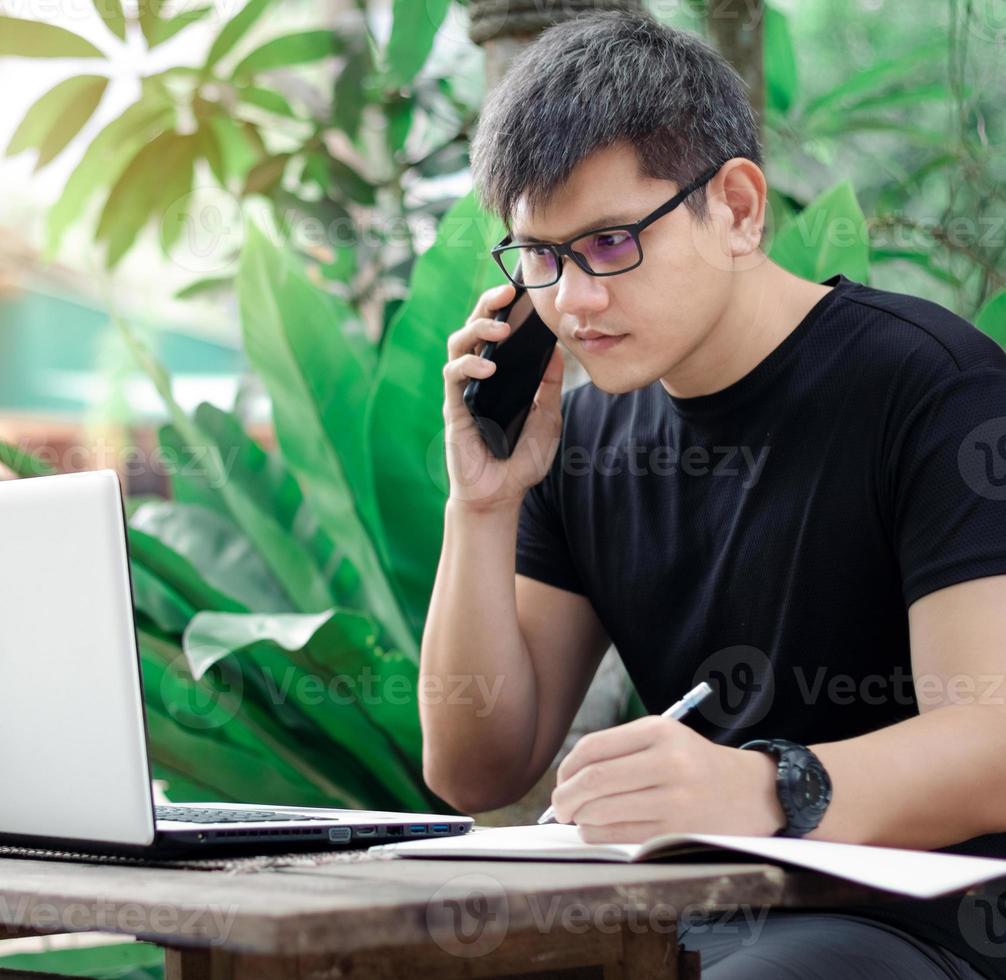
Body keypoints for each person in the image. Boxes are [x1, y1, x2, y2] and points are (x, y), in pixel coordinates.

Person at [422, 10, 1006, 979]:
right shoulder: (581, 433)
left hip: (920, 926)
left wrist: (761, 785)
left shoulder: (932, 386)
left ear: (737, 207)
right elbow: (477, 766)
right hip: (685, 916)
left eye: (609, 242)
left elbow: (993, 740)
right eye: (539, 255)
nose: (572, 298)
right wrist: (480, 505)